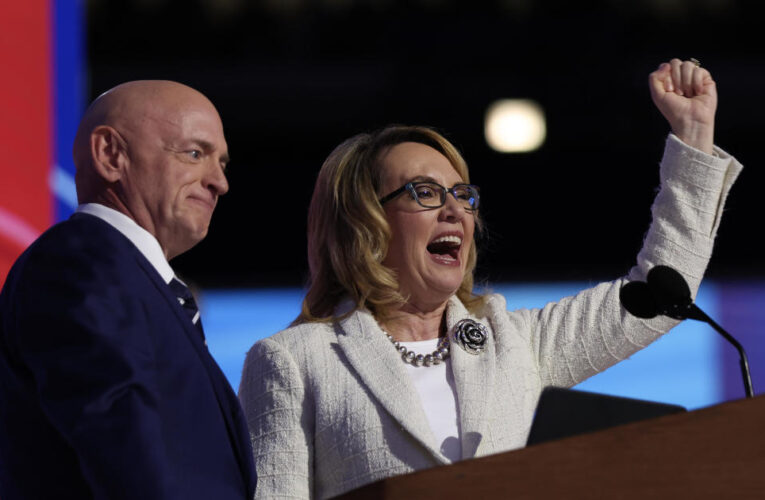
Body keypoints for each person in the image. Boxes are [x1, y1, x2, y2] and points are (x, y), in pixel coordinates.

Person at [238, 58, 742, 498]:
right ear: (364, 221)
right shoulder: (295, 361)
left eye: (463, 195)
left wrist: (693, 137)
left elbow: (660, 293)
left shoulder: (515, 343)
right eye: (426, 193)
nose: (456, 210)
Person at [0, 81, 256, 499]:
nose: (220, 182)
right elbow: (124, 444)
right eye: (195, 153)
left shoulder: (139, 281)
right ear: (111, 155)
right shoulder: (79, 262)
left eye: (222, 163)